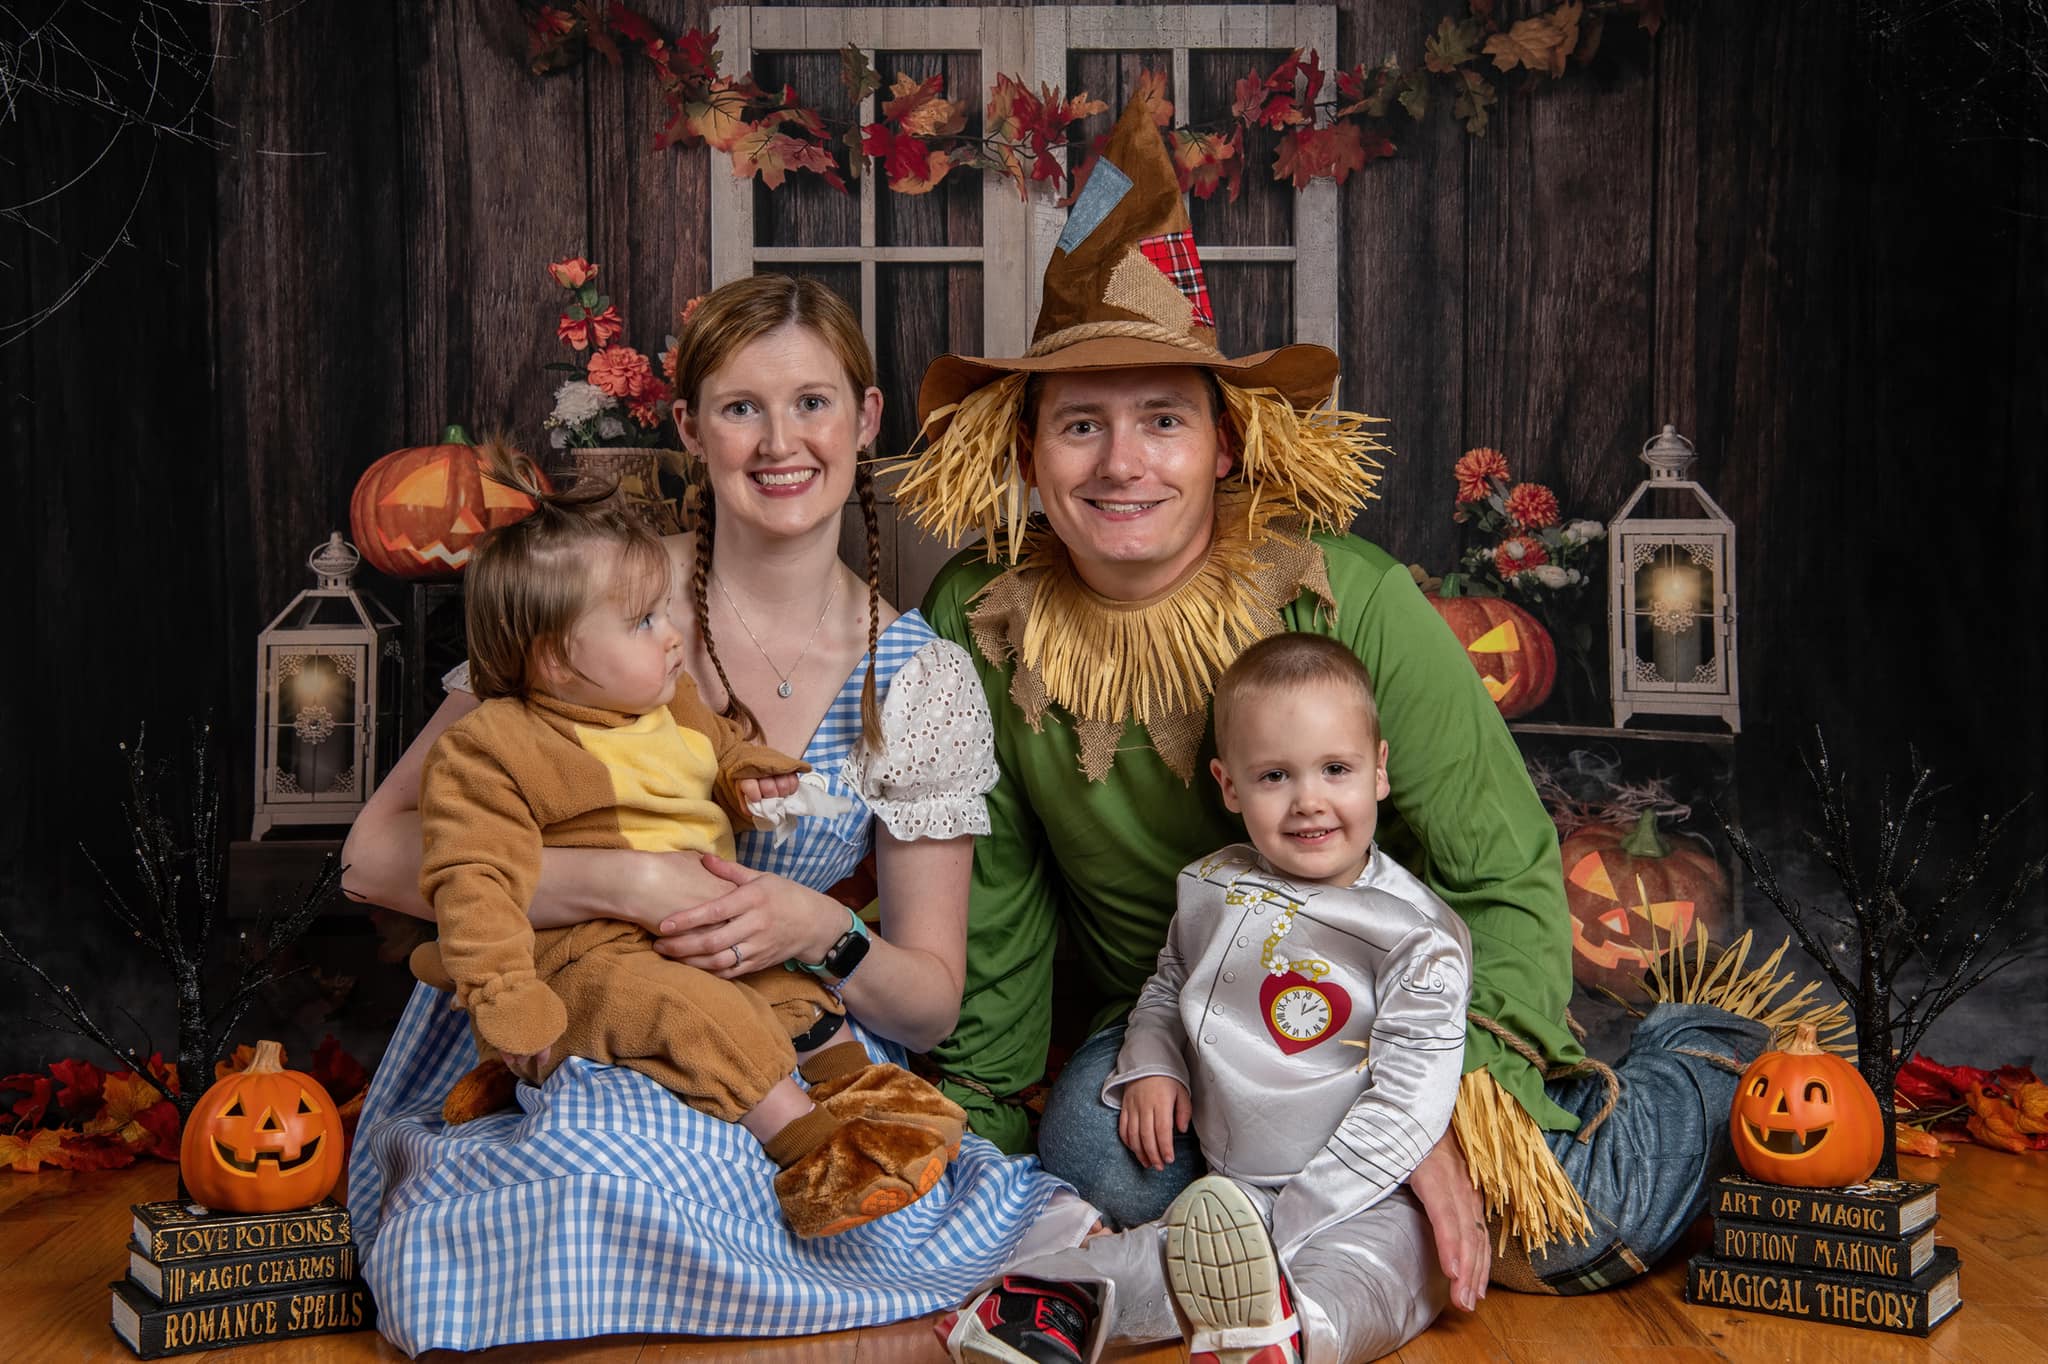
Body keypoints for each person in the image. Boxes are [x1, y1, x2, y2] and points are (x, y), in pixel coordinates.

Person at [896, 95, 1824, 1303]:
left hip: (1398, 1012)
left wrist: (1443, 1106)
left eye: (1162, 420)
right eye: (1080, 425)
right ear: (1026, 454)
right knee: (1091, 1170)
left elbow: (1501, 872)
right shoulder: (981, 621)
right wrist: (961, 1148)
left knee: (1569, 1238)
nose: (1121, 465)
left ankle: (1693, 1056)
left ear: (1226, 443)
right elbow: (1002, 907)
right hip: (1199, 1030)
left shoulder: (1356, 602)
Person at [341, 274, 1071, 1354]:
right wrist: (621, 882)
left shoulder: (916, 677)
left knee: (714, 1168)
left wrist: (815, 926)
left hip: (765, 1034)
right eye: (741, 408)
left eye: (813, 403)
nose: (781, 442)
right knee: (591, 1159)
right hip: (548, 1015)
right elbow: (370, 855)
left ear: (865, 420)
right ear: (690, 427)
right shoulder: (593, 600)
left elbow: (926, 1002)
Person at [410, 441, 964, 1238]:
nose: (671, 637)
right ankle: (810, 1154)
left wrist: (751, 779)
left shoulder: (670, 702)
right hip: (582, 954)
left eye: (665, 613)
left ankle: (876, 1105)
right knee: (695, 1015)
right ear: (556, 660)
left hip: (698, 935)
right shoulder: (491, 746)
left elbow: (723, 754)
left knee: (797, 995)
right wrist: (505, 999)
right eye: (642, 622)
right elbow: (468, 880)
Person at [947, 634, 1470, 1364]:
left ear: (1379, 772)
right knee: (1154, 1256)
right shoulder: (1212, 887)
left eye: (1336, 769)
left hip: (1368, 1194)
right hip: (1239, 1188)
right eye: (1275, 777)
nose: (1308, 801)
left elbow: (1411, 1103)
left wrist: (1296, 1220)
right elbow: (1166, 986)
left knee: (1378, 1276)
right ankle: (1047, 1307)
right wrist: (1152, 1063)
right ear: (1229, 786)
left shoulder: (1416, 937)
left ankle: (1291, 1335)